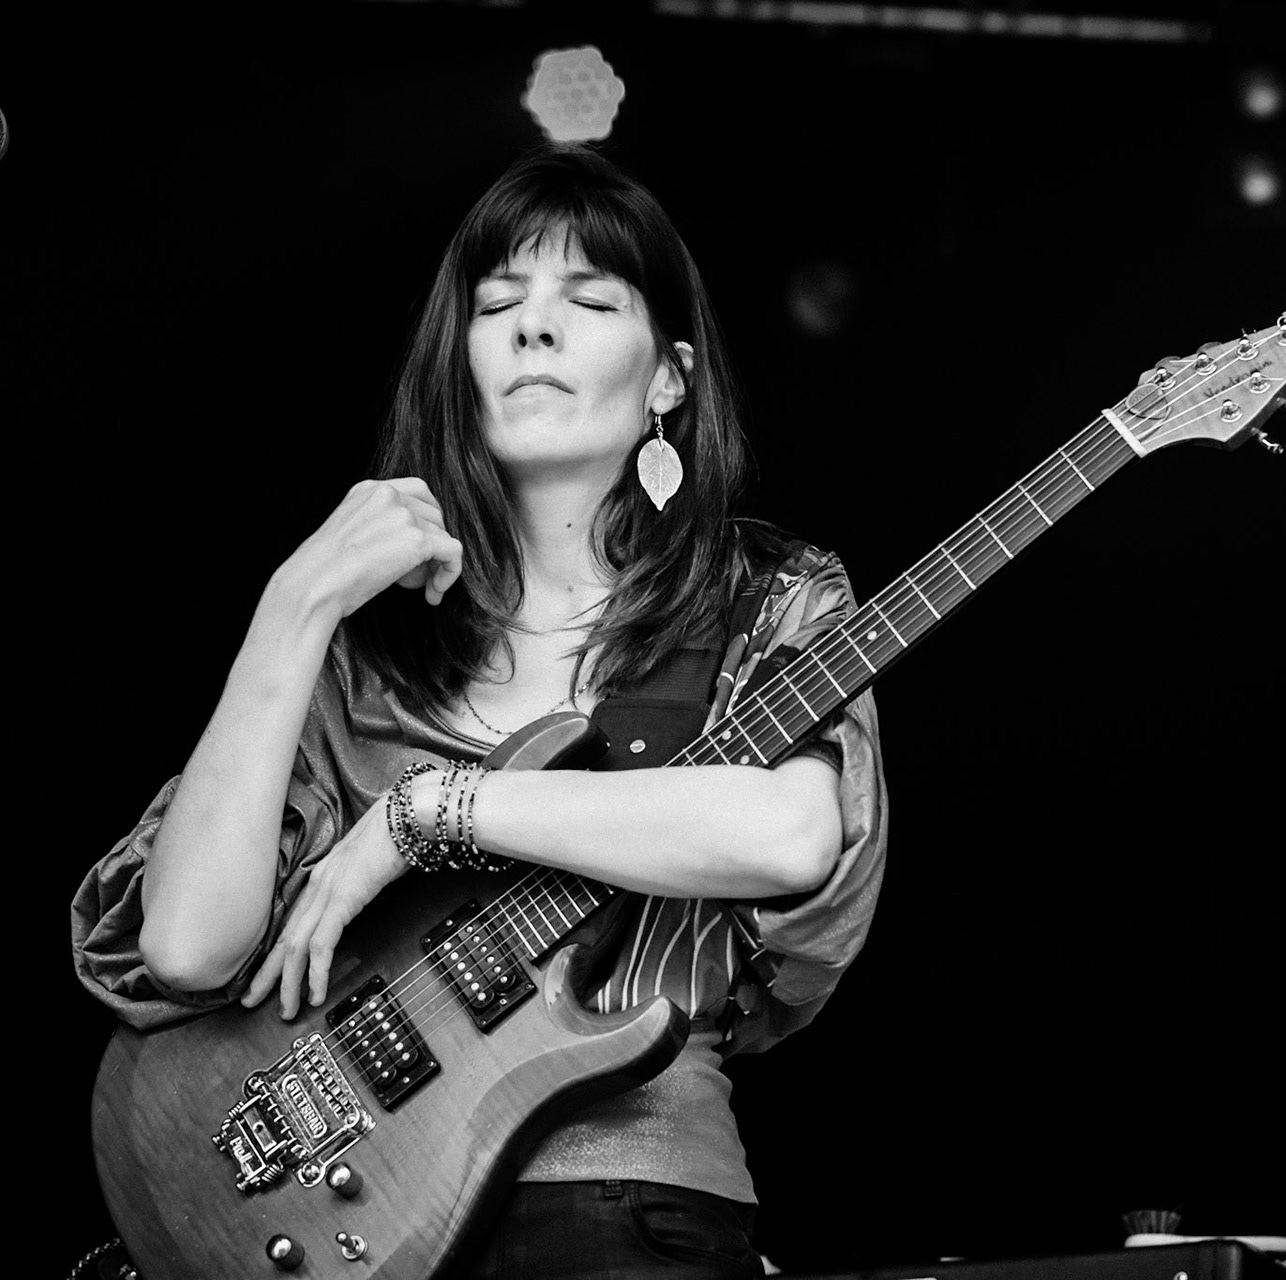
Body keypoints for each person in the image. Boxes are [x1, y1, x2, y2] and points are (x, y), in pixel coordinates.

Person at [70, 142, 887, 1280]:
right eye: (497, 303)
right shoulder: (366, 653)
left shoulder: (766, 598)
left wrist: (437, 808)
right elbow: (188, 945)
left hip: (626, 1203)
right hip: (354, 1216)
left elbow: (788, 834)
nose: (532, 328)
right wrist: (295, 604)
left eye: (589, 300)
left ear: (670, 377)